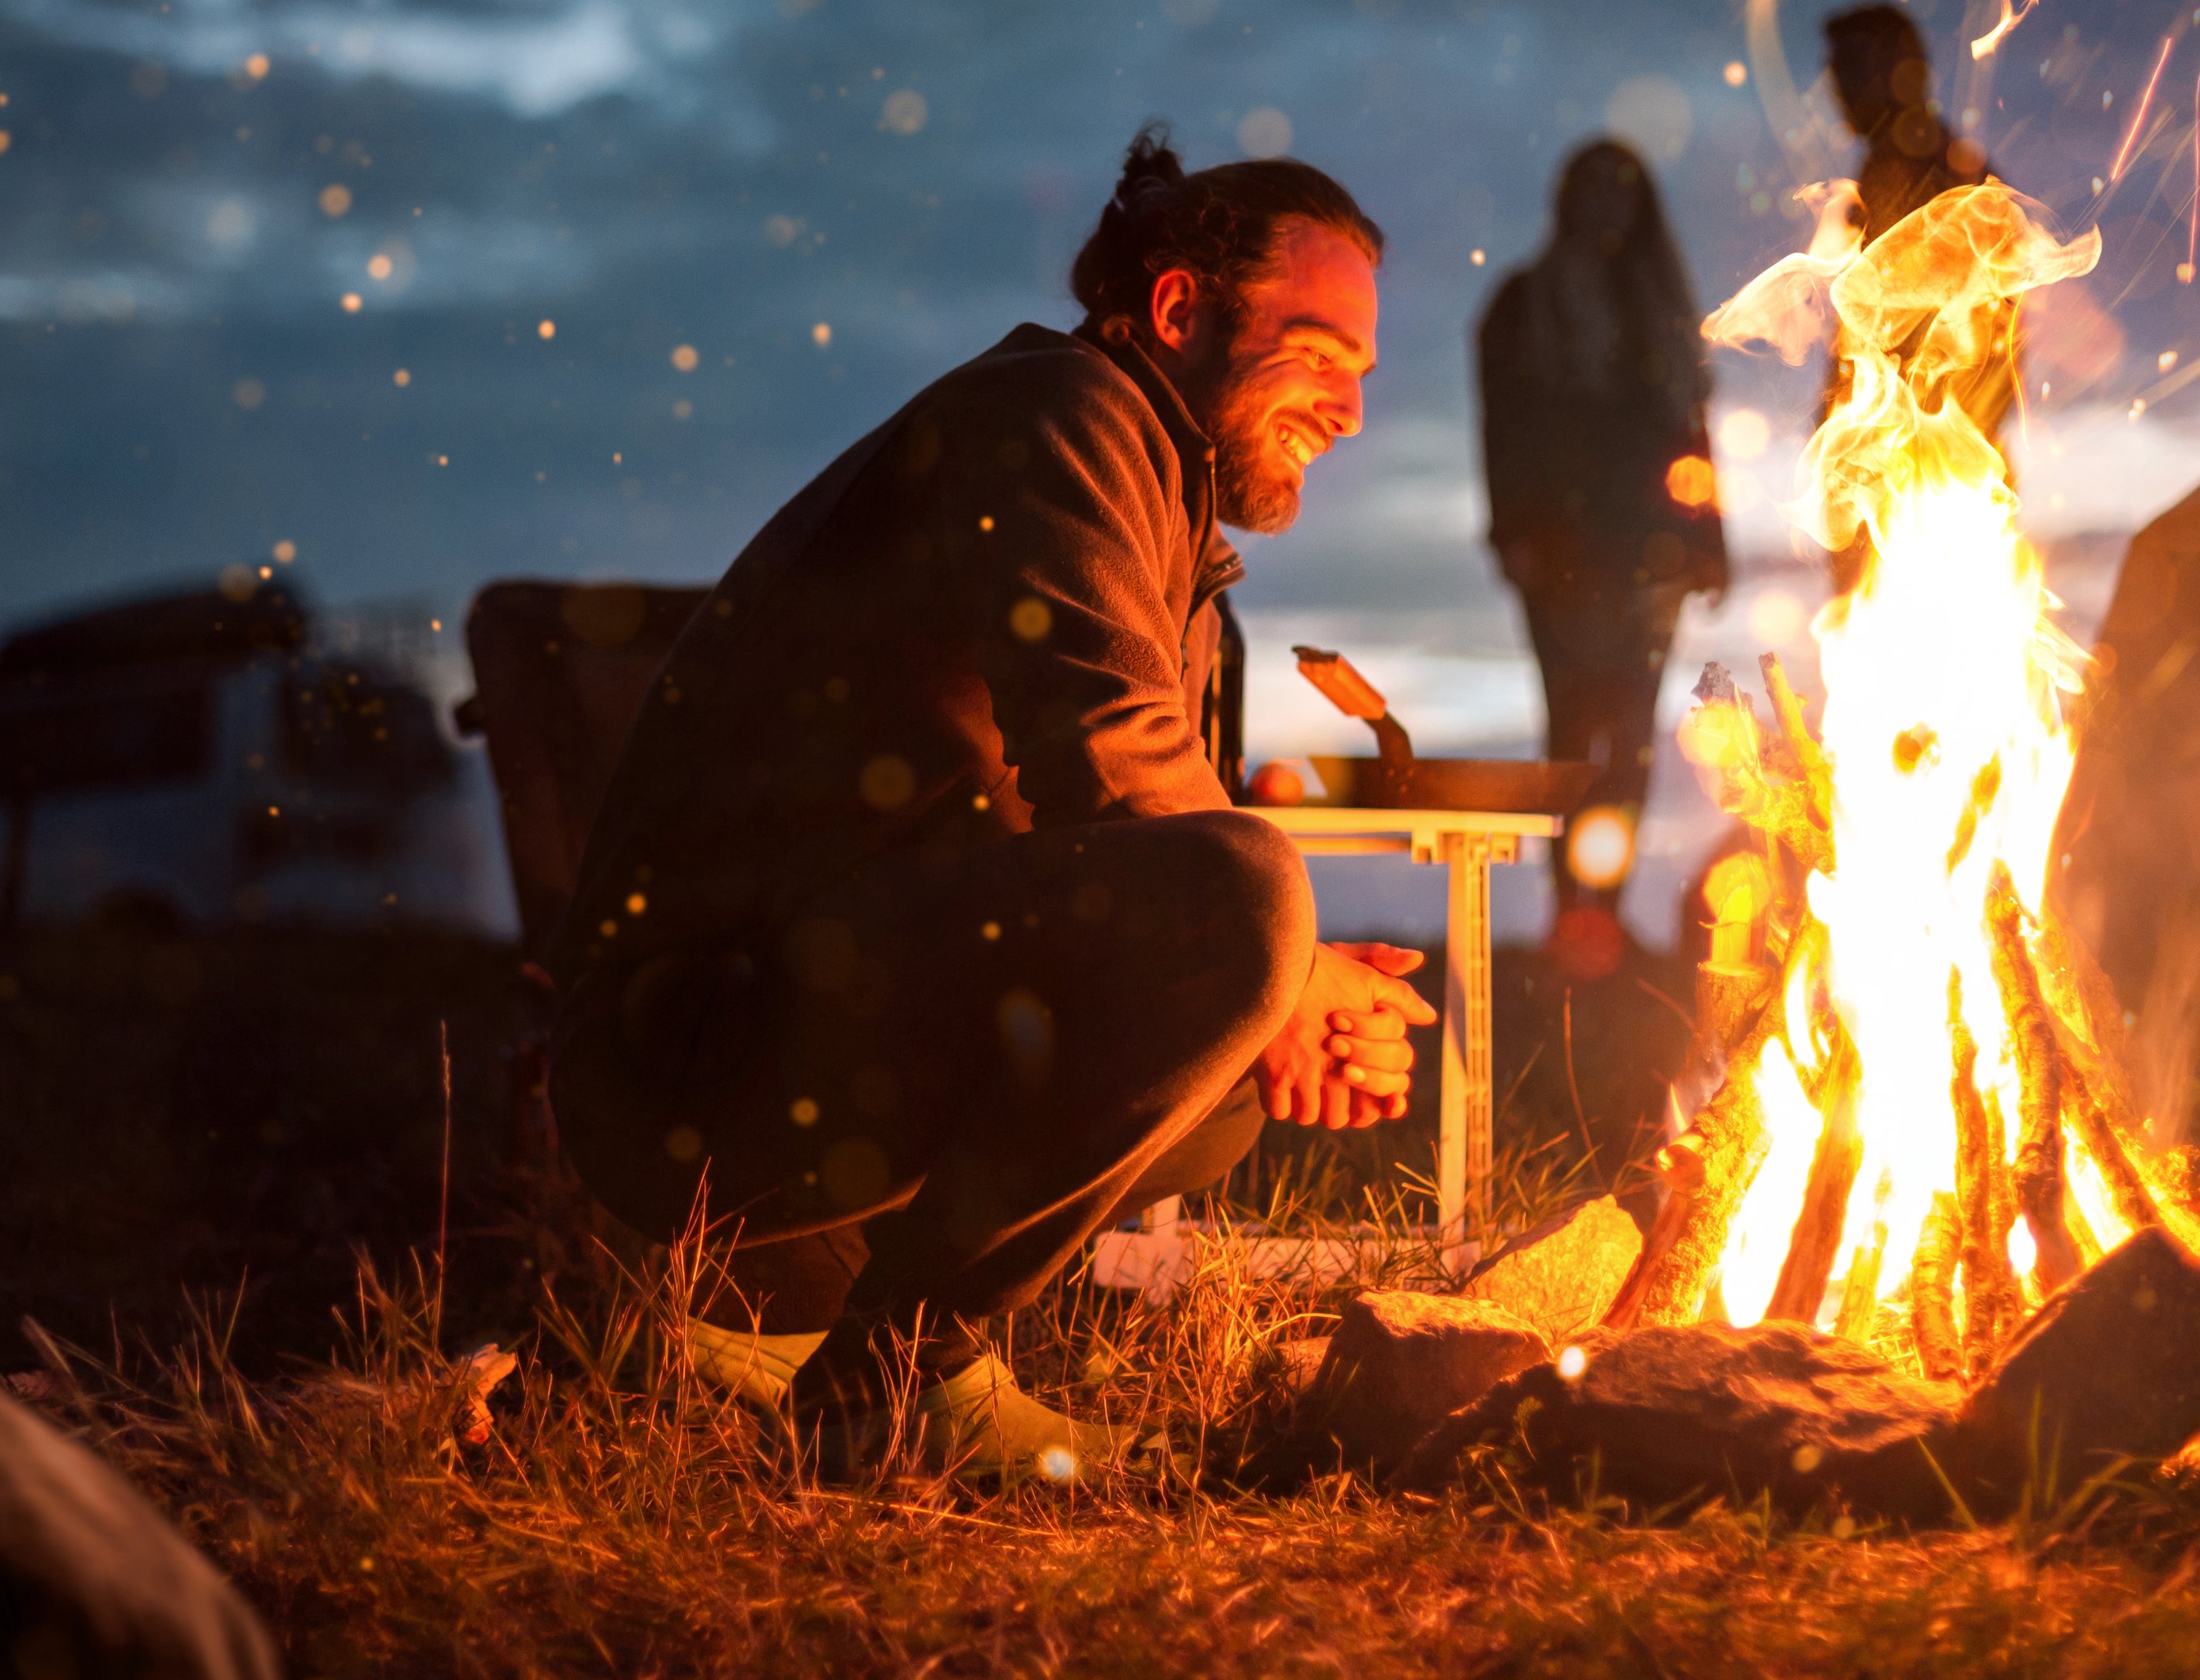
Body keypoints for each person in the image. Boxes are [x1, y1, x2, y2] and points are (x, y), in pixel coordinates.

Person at [549, 126, 1437, 1476]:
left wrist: (1288, 999)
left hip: (828, 1018)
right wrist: (1288, 960)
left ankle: (812, 1320)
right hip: (695, 1047)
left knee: (1235, 1061)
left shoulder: (1162, 503)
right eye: (1318, 351)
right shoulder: (1059, 413)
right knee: (1246, 904)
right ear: (1179, 307)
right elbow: (1116, 761)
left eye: (1364, 372)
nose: (1351, 409)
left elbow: (1121, 827)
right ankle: (896, 1370)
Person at [1475, 140, 1726, 932]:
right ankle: (1572, 916)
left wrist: (1709, 541)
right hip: (1563, 554)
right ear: (1567, 199)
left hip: (1650, 556)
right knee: (1574, 734)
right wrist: (1515, 531)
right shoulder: (1525, 305)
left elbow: (1690, 438)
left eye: (1623, 191)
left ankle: (1603, 916)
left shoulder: (1657, 310)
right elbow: (1502, 429)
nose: (1607, 206)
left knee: (1631, 742)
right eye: (1592, 189)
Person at [1818, 2, 2019, 591]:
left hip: (1925, 477)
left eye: (1852, 66)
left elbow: (1994, 338)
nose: (1838, 87)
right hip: (1897, 468)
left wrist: (1915, 454)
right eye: (1835, 69)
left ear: (1902, 69)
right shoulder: (1889, 170)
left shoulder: (1945, 178)